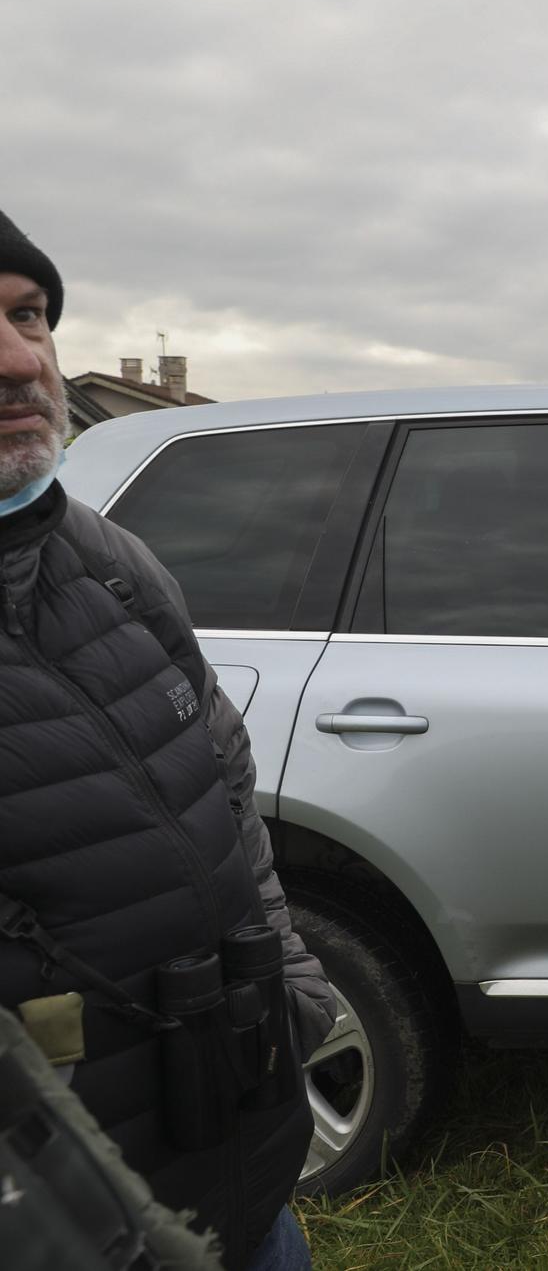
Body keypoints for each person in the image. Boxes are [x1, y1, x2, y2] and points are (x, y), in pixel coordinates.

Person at [0, 208, 335, 1270]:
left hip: (236, 1166)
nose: (19, 361)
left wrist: (291, 981)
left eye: (29, 315)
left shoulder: (110, 563)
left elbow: (224, 787)